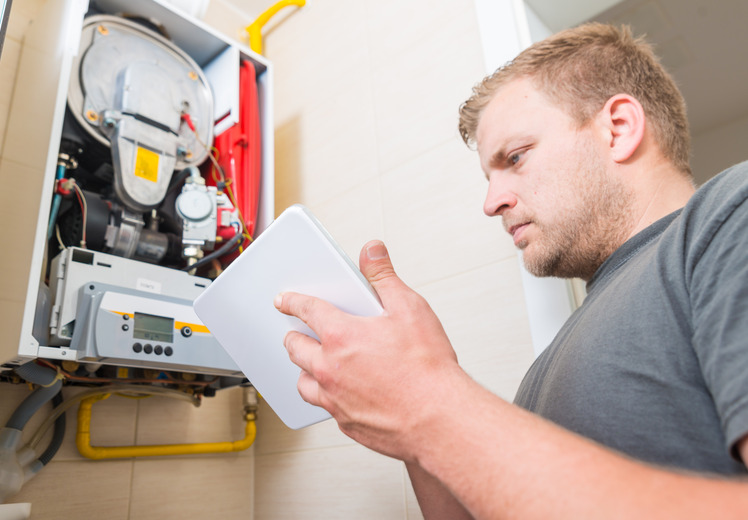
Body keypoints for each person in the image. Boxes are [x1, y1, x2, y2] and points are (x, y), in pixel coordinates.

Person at [274, 22, 748, 519]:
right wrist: (411, 409)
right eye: (488, 174)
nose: (491, 201)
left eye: (515, 157)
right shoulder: (551, 364)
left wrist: (427, 400)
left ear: (619, 128)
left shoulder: (729, 216)